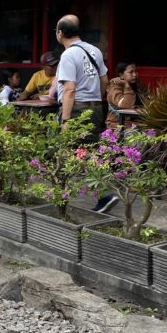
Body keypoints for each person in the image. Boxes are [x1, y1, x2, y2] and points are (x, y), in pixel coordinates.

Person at [55, 15, 114, 212]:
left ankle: (103, 195)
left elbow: (69, 89)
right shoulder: (94, 50)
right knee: (88, 151)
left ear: (60, 33)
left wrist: (66, 120)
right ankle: (65, 194)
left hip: (77, 109)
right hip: (95, 107)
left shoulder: (68, 55)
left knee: (71, 152)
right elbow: (104, 81)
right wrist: (95, 99)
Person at [106, 61, 145, 130]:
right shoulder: (114, 88)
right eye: (131, 72)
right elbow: (126, 104)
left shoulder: (139, 85)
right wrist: (127, 86)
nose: (135, 74)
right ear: (121, 75)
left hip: (137, 122)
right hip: (117, 124)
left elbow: (148, 100)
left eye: (136, 71)